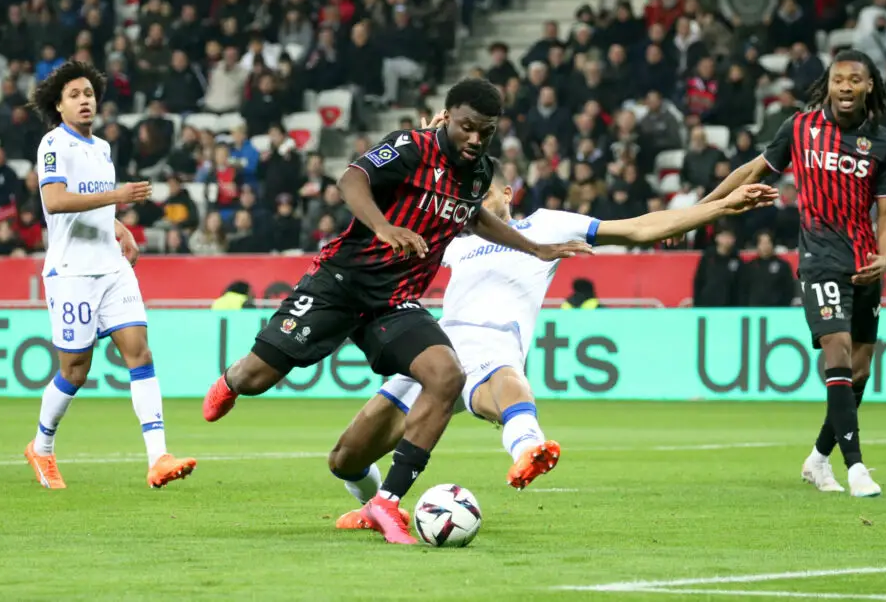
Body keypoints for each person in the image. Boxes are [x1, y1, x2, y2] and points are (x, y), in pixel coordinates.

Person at [200, 78, 592, 545]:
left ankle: (386, 502)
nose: (475, 139)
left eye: (485, 132)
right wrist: (384, 227)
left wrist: (533, 248)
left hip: (393, 300)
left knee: (446, 375)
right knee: (256, 377)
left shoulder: (479, 173)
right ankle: (231, 381)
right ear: (448, 117)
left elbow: (474, 216)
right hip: (340, 284)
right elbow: (351, 180)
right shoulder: (411, 146)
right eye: (467, 127)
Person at [326, 151, 777, 531]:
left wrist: (721, 207)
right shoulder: (456, 241)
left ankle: (529, 449)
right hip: (436, 350)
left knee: (505, 383)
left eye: (482, 197)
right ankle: (375, 508)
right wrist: (428, 153)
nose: (473, 207)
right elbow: (403, 210)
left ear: (507, 194)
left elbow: (639, 227)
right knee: (345, 458)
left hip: (494, 344)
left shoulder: (545, 226)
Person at [696, 49, 886, 498]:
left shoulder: (882, 143)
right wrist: (699, 210)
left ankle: (818, 459)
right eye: (838, 79)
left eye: (854, 80)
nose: (845, 87)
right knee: (837, 349)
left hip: (865, 264)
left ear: (869, 86)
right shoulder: (801, 128)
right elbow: (753, 170)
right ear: (828, 84)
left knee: (859, 370)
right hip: (819, 260)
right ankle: (856, 468)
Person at [24, 60, 196, 490]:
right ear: (59, 106)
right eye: (74, 95)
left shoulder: (101, 148)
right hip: (72, 272)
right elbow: (56, 201)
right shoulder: (53, 144)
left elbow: (94, 203)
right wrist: (117, 196)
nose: (84, 101)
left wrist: (120, 228)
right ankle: (42, 447)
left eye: (89, 93)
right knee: (75, 371)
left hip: (112, 268)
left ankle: (158, 458)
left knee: (140, 353)